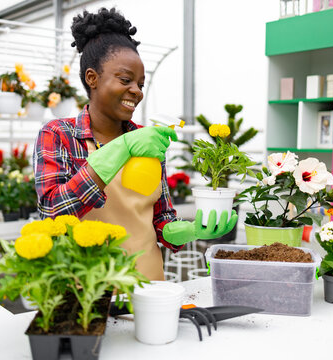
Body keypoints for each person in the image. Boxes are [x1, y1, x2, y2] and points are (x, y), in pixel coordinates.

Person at [34, 7, 237, 280]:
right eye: (126, 80)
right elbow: (53, 211)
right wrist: (123, 148)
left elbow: (161, 219)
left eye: (141, 84)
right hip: (85, 292)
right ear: (92, 78)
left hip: (148, 287)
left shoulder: (148, 140)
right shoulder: (59, 134)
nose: (137, 91)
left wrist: (190, 230)